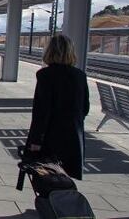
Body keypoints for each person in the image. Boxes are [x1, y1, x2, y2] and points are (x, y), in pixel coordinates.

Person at [26, 35, 90, 180]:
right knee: (65, 180)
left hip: (50, 138)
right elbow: (85, 108)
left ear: (49, 51)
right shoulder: (80, 76)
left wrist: (35, 142)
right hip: (74, 139)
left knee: (46, 180)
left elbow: (41, 113)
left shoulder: (45, 75)